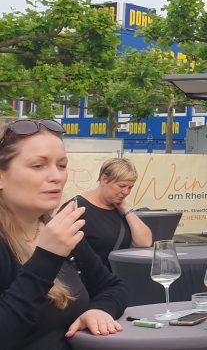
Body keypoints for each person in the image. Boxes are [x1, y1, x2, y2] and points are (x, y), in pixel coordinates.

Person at [0, 119, 128, 349]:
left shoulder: (62, 231)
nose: (57, 176)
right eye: (38, 165)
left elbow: (113, 287)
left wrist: (99, 310)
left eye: (61, 165)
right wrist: (47, 258)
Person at [63, 158, 152, 271]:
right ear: (104, 179)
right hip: (89, 280)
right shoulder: (75, 207)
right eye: (121, 186)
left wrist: (126, 210)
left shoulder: (120, 209)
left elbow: (145, 242)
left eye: (130, 187)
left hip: (117, 278)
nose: (126, 192)